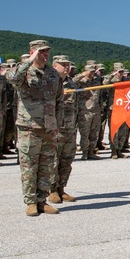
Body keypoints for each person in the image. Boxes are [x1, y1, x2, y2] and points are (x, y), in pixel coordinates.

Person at [8, 40, 64, 217]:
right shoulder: (24, 72)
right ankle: (31, 202)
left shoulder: (53, 74)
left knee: (46, 166)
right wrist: (28, 61)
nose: (45, 55)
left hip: (48, 127)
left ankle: (42, 200)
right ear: (33, 52)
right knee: (29, 166)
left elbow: (59, 101)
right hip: (29, 126)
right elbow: (12, 78)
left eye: (47, 52)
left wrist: (56, 123)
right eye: (41, 52)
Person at [50, 56, 78, 203]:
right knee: (54, 160)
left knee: (67, 160)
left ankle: (62, 188)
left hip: (70, 126)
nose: (66, 67)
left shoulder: (71, 82)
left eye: (67, 64)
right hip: (56, 127)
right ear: (55, 66)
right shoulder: (50, 81)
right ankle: (52, 190)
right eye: (63, 65)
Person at [74, 60, 103, 160]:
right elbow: (73, 82)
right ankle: (84, 152)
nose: (92, 74)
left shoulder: (96, 80)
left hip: (96, 110)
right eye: (90, 72)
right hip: (85, 110)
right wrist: (82, 75)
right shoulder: (81, 81)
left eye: (93, 72)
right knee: (85, 133)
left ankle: (91, 151)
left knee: (94, 132)